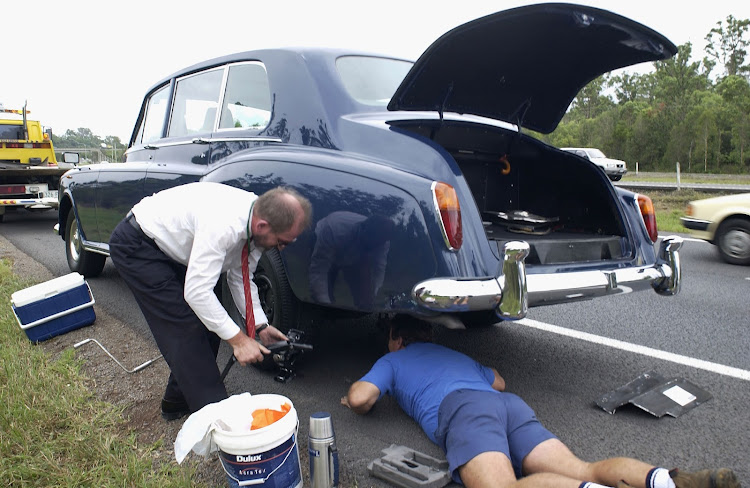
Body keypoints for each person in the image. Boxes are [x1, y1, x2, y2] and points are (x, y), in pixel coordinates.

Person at [341, 315, 741, 488]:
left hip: (466, 412)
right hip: (507, 406)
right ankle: (667, 480)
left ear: (396, 338)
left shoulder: (393, 359)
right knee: (582, 467)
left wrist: (354, 398)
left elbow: (362, 396)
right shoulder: (457, 356)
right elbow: (498, 381)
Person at [109, 182, 312, 420]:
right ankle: (220, 425)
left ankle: (177, 401)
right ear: (262, 225)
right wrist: (238, 341)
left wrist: (260, 325)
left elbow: (241, 275)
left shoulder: (261, 218)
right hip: (138, 245)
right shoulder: (223, 225)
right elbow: (196, 292)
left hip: (177, 249)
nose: (282, 247)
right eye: (281, 242)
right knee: (186, 330)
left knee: (211, 326)